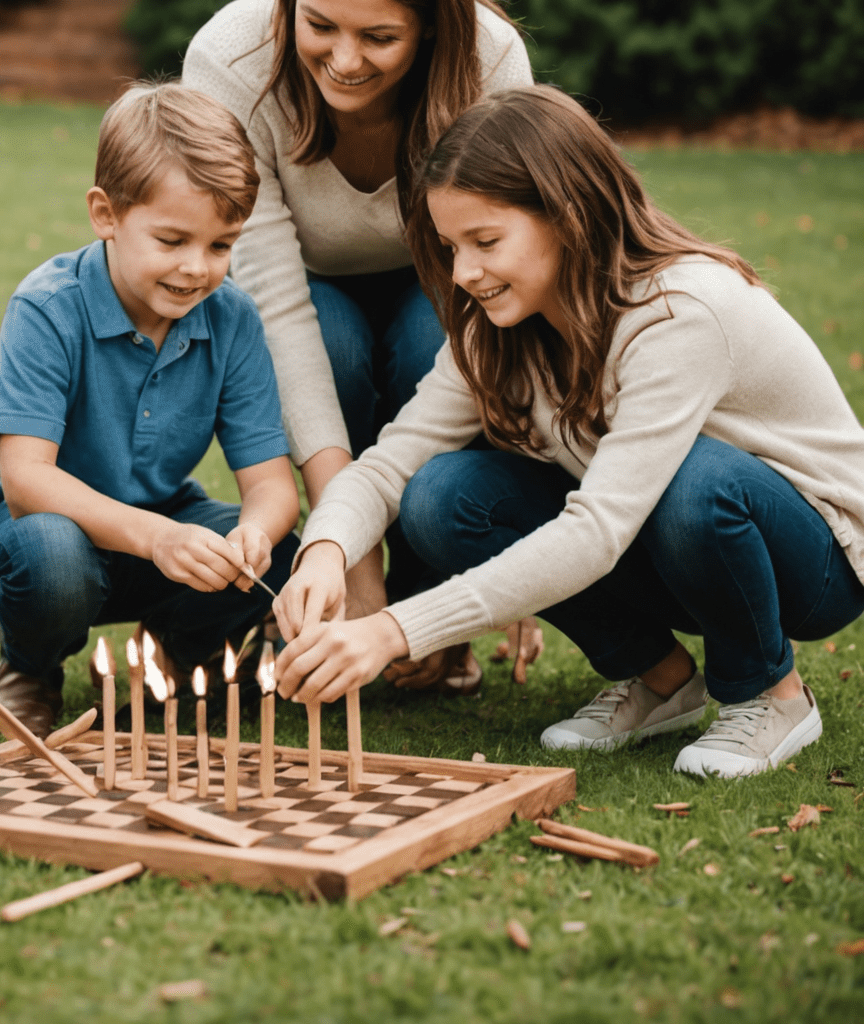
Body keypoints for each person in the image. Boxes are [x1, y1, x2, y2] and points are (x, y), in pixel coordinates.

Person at [276, 86, 864, 778]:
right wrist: (324, 550)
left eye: (485, 242)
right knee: (443, 495)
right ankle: (661, 680)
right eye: (449, 246)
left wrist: (394, 630)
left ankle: (771, 691)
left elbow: (597, 529)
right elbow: (389, 465)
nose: (463, 274)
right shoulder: (496, 329)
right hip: (664, 539)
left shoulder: (680, 312)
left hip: (812, 558)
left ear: (567, 215)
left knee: (696, 483)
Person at [182, 0, 535, 694]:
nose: (343, 60)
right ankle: (347, 589)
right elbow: (270, 296)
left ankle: (430, 614)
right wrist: (349, 549)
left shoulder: (492, 60)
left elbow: (520, 270)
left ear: (434, 26)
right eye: (319, 26)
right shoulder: (229, 61)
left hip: (450, 282)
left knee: (430, 345)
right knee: (332, 343)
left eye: (379, 37)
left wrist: (519, 543)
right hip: (304, 287)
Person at [0, 83, 302, 736]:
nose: (197, 269)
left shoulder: (232, 319)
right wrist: (158, 538)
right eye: (172, 240)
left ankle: (168, 657)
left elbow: (271, 486)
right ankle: (30, 668)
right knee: (53, 553)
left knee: (286, 547)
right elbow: (27, 485)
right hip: (33, 538)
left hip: (160, 533)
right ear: (105, 214)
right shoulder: (48, 307)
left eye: (221, 246)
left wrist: (253, 534)